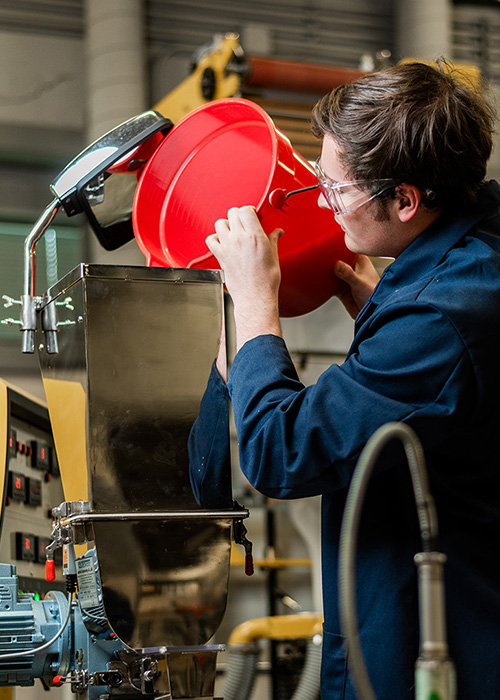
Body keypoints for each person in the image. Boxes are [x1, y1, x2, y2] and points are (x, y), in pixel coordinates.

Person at [189, 61, 500, 699]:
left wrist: (254, 304)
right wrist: (381, 311)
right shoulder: (475, 260)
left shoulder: (441, 315)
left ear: (407, 200)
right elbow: (446, 399)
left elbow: (283, 454)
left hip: (436, 651)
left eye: (334, 189)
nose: (322, 202)